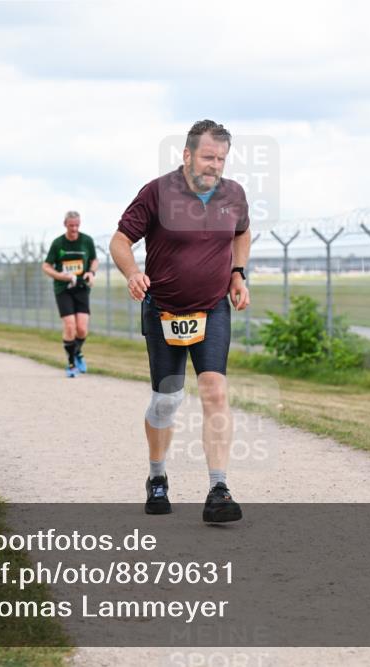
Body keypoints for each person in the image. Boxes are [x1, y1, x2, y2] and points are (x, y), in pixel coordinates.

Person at [109, 119, 251, 523]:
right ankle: (157, 477)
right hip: (164, 309)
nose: (215, 165)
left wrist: (238, 274)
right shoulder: (157, 192)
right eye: (208, 157)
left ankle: (218, 490)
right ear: (187, 154)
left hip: (212, 307)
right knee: (167, 400)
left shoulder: (233, 194)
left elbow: (243, 231)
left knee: (214, 391)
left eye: (221, 159)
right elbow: (120, 240)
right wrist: (133, 273)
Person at [42, 211, 99, 377]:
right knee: (69, 326)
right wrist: (62, 276)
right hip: (63, 289)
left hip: (81, 288)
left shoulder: (87, 240)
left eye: (77, 225)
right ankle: (71, 364)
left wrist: (91, 273)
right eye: (71, 225)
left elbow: (94, 260)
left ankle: (77, 352)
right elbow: (46, 266)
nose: (74, 229)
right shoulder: (58, 243)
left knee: (81, 328)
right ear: (65, 224)